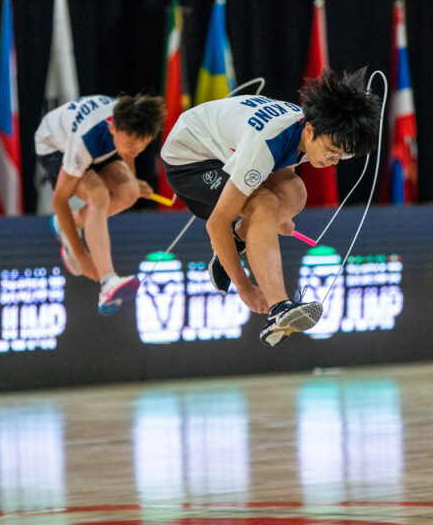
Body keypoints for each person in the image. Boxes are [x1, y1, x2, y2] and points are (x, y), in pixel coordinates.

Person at [161, 68, 381, 347]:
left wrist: (281, 216)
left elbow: (286, 158)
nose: (334, 161)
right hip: (189, 159)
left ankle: (238, 239)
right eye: (331, 151)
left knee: (294, 194)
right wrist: (244, 287)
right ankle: (279, 308)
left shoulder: (315, 130)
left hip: (228, 145)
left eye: (341, 155)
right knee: (263, 205)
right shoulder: (264, 144)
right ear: (310, 129)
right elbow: (216, 223)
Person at [36, 94, 165, 316]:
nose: (135, 150)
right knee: (98, 195)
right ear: (113, 128)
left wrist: (132, 181)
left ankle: (67, 224)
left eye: (142, 146)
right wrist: (80, 253)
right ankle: (108, 283)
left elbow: (128, 154)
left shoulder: (129, 124)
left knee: (130, 192)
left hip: (100, 146)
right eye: (131, 144)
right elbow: (58, 199)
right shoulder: (87, 139)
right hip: (55, 146)